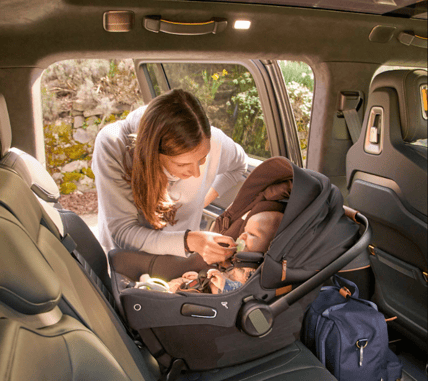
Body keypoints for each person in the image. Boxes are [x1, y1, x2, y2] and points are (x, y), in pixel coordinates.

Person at [92, 89, 248, 265]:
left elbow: (239, 166)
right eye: (182, 165)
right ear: (152, 154)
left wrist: (200, 202)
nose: (196, 173)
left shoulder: (215, 142)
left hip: (181, 261)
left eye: (203, 159)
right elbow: (123, 231)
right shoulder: (113, 145)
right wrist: (190, 240)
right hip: (129, 262)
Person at [160, 210, 284, 293]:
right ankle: (158, 289)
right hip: (210, 286)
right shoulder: (239, 260)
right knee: (178, 283)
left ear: (271, 245)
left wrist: (224, 284)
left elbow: (245, 292)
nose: (242, 237)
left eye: (252, 234)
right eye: (244, 231)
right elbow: (226, 273)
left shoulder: (257, 271)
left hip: (222, 299)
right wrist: (201, 278)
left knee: (178, 291)